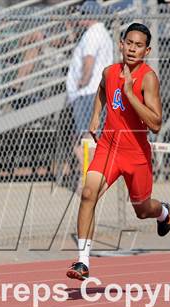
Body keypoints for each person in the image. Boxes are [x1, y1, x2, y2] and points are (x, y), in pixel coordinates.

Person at [66, 23, 170, 281]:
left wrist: (130, 95)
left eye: (139, 46)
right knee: (88, 193)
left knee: (142, 209)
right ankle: (82, 262)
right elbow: (102, 89)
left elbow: (156, 124)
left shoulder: (148, 78)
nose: (133, 49)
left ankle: (164, 212)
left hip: (136, 154)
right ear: (121, 44)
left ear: (147, 50)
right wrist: (94, 116)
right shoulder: (109, 71)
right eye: (129, 43)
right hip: (109, 147)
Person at [65, 0, 114, 190]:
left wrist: (82, 81)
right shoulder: (100, 32)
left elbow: (89, 61)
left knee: (87, 137)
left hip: (88, 92)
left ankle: (91, 179)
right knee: (82, 137)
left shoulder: (93, 33)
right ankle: (90, 176)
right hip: (93, 91)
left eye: (84, 14)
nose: (81, 18)